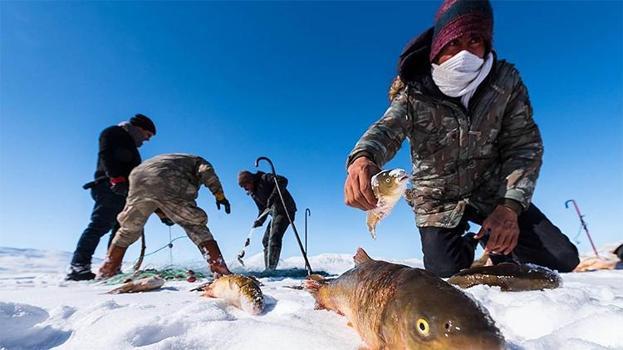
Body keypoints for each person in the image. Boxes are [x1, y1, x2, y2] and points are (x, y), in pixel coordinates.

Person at [344, 0, 580, 278]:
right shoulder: (414, 94)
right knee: (447, 273)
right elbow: (386, 129)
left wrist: (509, 207)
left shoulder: (506, 83)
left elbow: (524, 146)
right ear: (437, 47)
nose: (464, 52)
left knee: (561, 258)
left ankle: (499, 247)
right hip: (437, 198)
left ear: (487, 44)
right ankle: (475, 244)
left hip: (492, 191)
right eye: (453, 42)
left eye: (475, 40)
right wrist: (362, 159)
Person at [98, 153, 232, 278]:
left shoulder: (169, 161)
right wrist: (219, 196)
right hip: (168, 177)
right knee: (195, 225)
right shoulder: (198, 161)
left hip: (138, 176)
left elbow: (156, 200)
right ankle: (219, 268)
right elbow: (206, 172)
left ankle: (107, 269)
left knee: (128, 228)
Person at [66, 114, 156, 281]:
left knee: (119, 230)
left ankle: (112, 267)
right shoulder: (113, 133)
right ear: (139, 128)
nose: (147, 140)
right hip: (109, 187)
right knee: (100, 225)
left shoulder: (131, 146)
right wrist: (117, 179)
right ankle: (79, 267)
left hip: (125, 192)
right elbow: (105, 154)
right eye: (148, 135)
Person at [238, 170, 296, 270]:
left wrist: (273, 197)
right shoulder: (254, 194)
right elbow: (262, 209)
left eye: (245, 185)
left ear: (251, 180)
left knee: (274, 237)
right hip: (275, 214)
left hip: (285, 210)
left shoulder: (264, 178)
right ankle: (268, 268)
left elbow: (282, 180)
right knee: (265, 240)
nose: (245, 189)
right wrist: (259, 220)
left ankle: (271, 269)